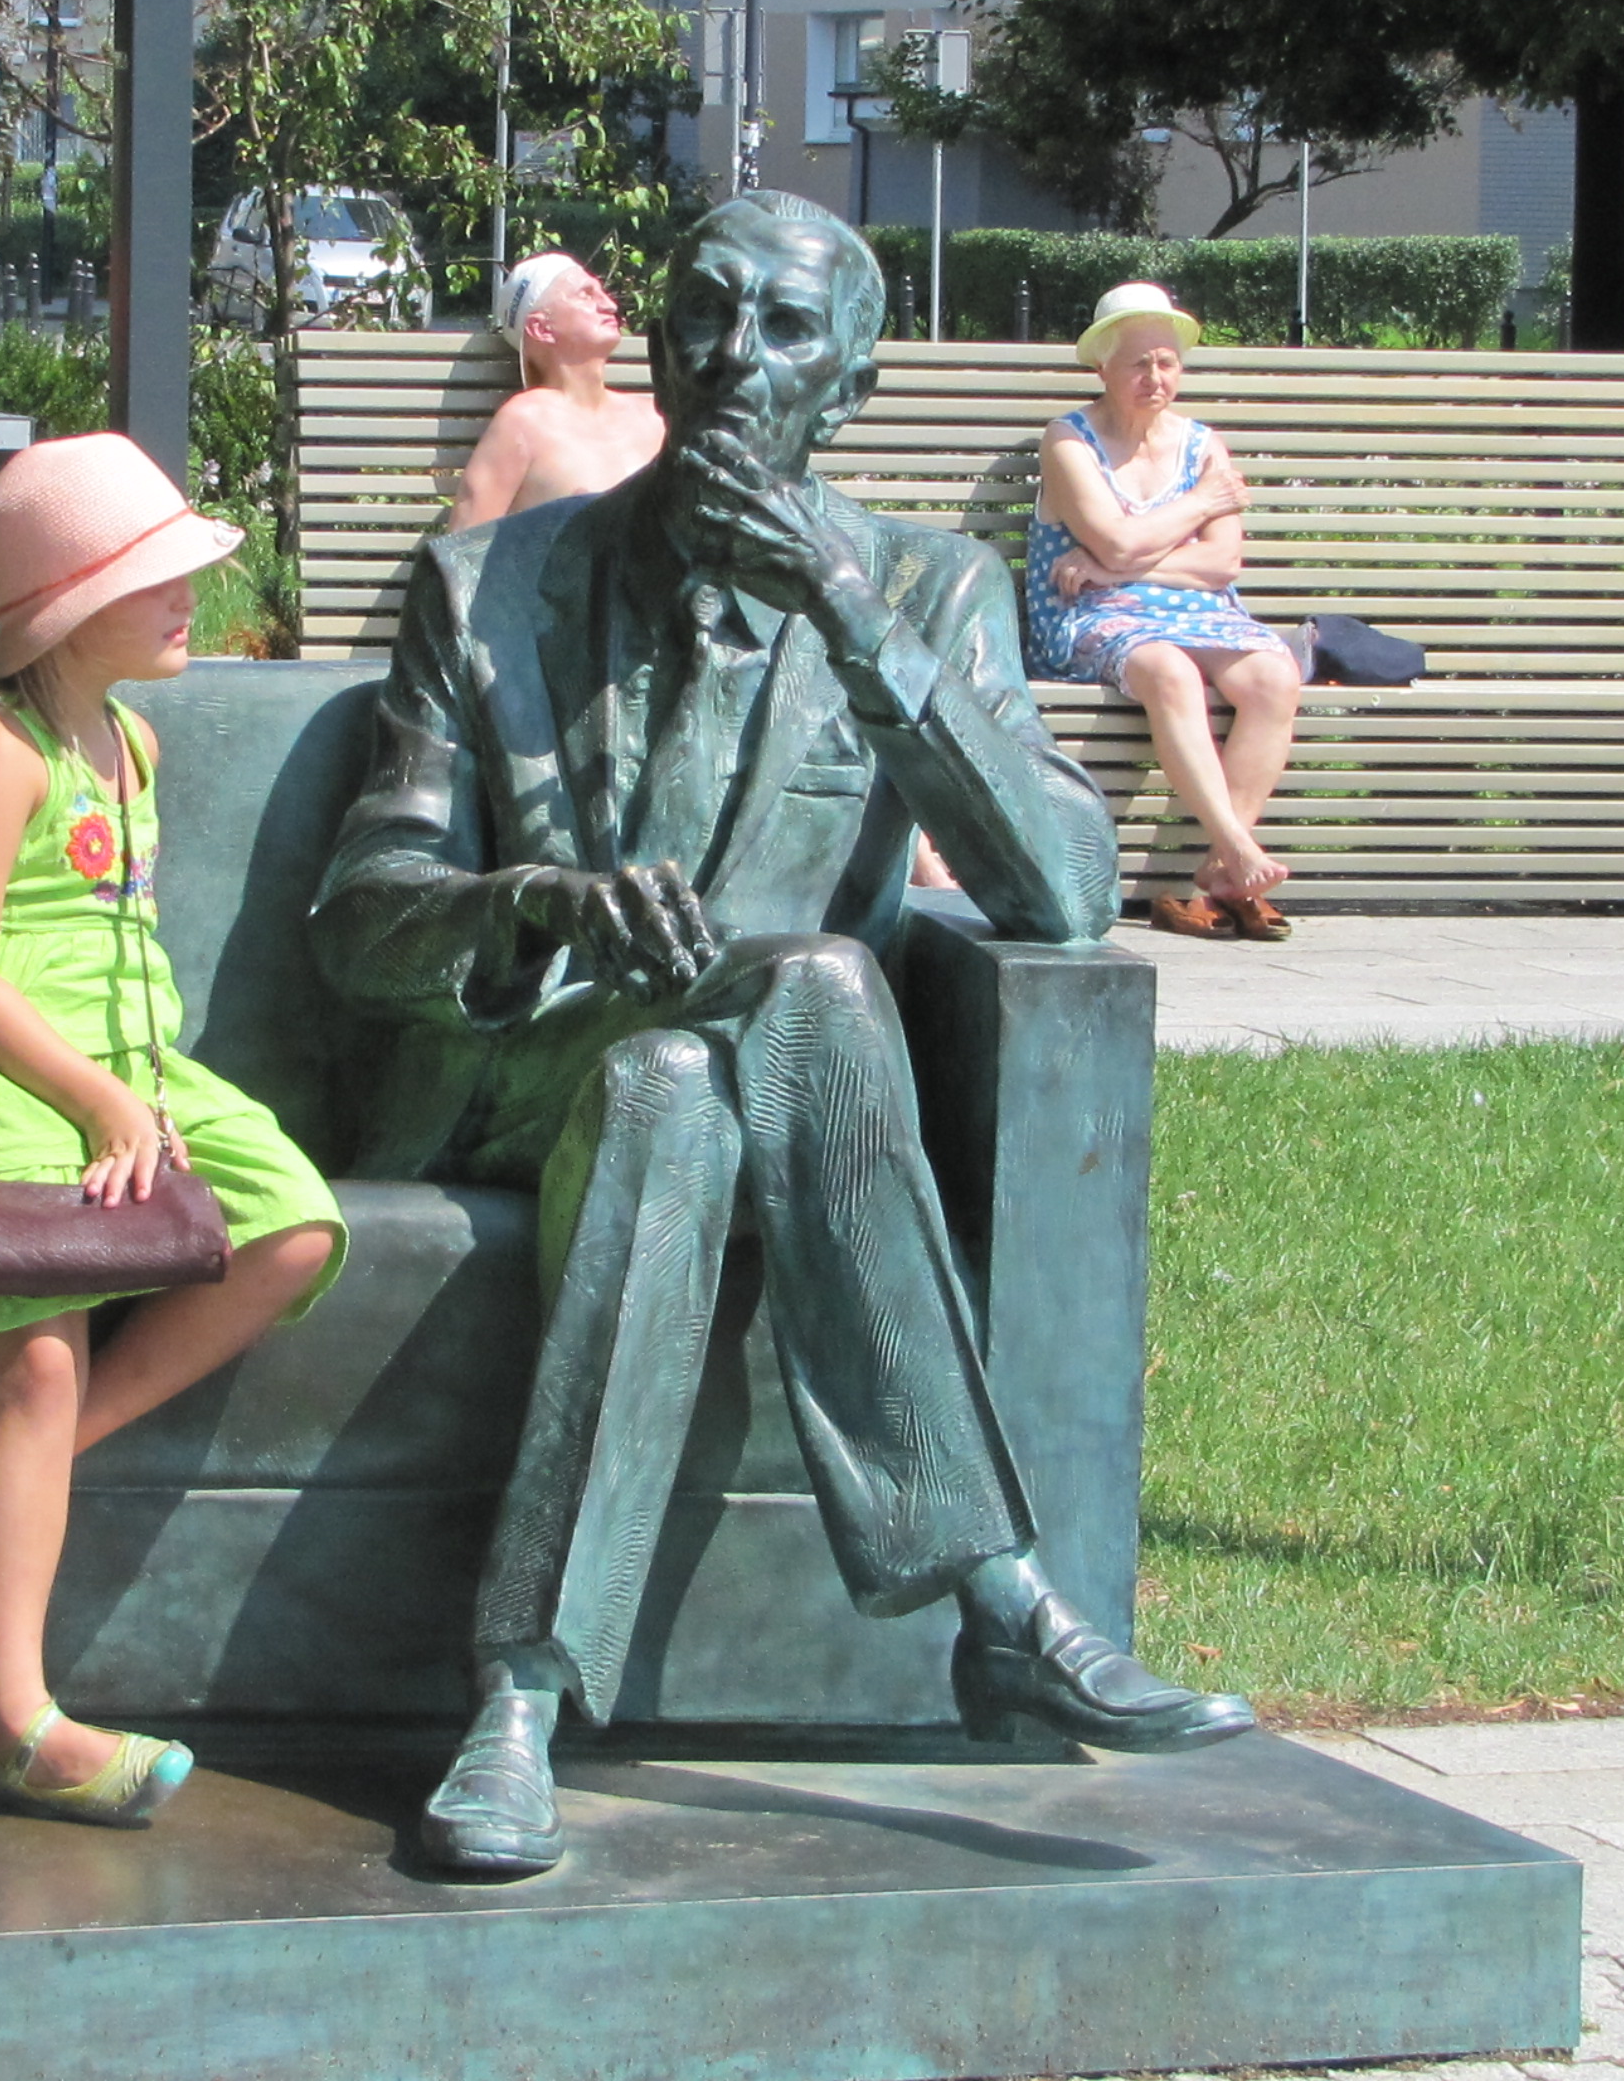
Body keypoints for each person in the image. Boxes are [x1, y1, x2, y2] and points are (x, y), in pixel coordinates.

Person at [314, 195, 1253, 1882]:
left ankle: (519, 1698)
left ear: (854, 382)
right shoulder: (487, 585)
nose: (735, 358)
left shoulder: (923, 586)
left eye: (785, 330)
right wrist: (532, 899)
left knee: (682, 1075)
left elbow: (1062, 892)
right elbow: (361, 908)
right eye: (703, 314)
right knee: (795, 991)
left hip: (724, 1096)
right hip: (511, 1073)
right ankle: (995, 1596)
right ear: (656, 345)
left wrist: (845, 612)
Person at [0, 431, 347, 1829]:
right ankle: (15, 1722)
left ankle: (12, 1480)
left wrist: (139, 1090)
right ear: (68, 599)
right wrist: (98, 1100)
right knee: (38, 1366)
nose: (193, 599)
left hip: (137, 1066)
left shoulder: (130, 737)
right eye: (159, 577)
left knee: (295, 1227)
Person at [1024, 282, 1303, 940]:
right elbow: (1114, 538)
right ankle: (1238, 850)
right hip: (1090, 613)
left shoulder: (1204, 445)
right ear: (1102, 366)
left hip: (1192, 608)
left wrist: (1120, 560)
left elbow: (1222, 565)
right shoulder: (1069, 441)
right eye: (1138, 363)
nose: (1156, 377)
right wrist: (1199, 508)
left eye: (1168, 362)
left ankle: (1222, 870)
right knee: (1170, 671)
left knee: (1274, 673)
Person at [443, 250, 665, 529]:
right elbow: (462, 548)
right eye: (586, 294)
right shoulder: (524, 421)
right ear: (541, 328)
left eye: (602, 292)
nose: (609, 305)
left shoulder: (654, 416)